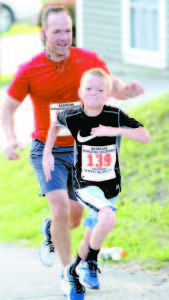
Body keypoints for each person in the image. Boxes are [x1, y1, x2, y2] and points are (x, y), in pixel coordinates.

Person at [1, 4, 144, 299]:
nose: (64, 37)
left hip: (81, 152)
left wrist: (128, 89)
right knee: (62, 209)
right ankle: (68, 275)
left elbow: (111, 87)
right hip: (46, 150)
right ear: (44, 34)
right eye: (57, 32)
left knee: (75, 217)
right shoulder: (30, 70)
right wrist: (10, 139)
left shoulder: (87, 60)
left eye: (68, 30)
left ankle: (49, 230)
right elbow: (8, 107)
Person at [43, 68, 151, 298]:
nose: (94, 93)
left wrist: (111, 130)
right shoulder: (72, 115)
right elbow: (54, 123)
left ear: (108, 93)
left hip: (109, 186)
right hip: (85, 184)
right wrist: (47, 153)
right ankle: (91, 261)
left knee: (91, 233)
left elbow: (145, 136)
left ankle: (75, 269)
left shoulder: (115, 114)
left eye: (100, 90)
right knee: (107, 217)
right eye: (89, 89)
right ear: (81, 92)